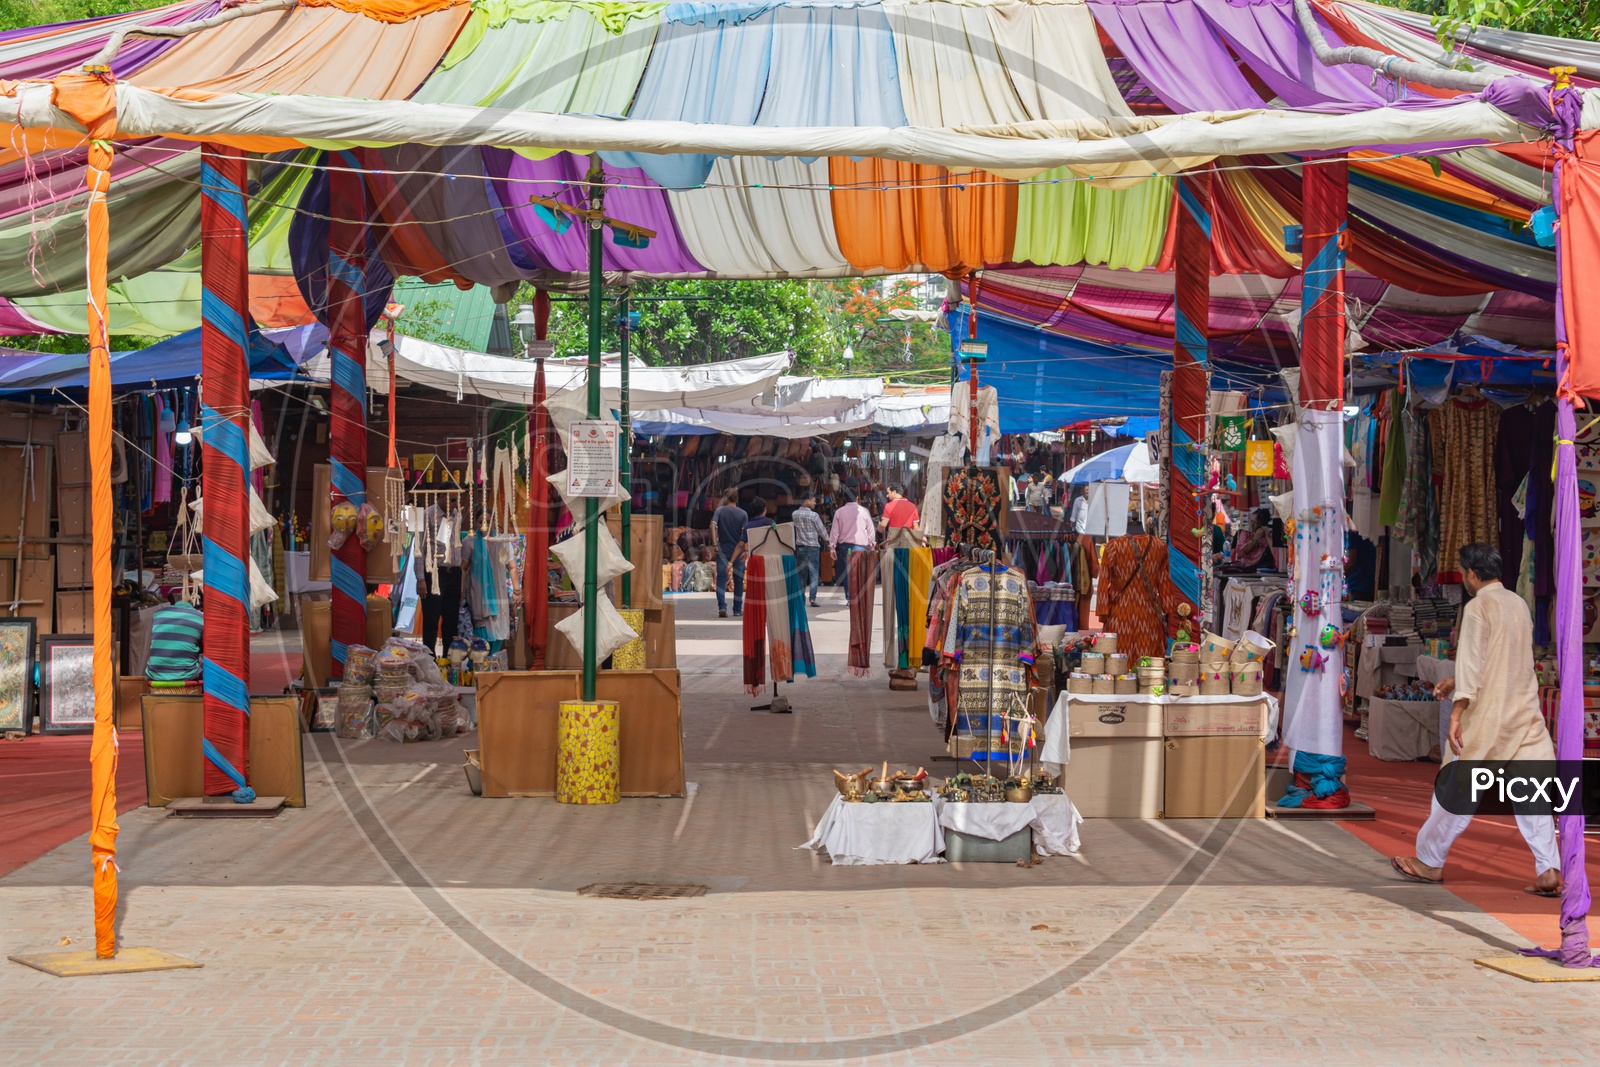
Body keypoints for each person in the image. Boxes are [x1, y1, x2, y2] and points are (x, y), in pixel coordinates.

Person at [1391, 543, 1561, 897]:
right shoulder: (1517, 604)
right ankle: (1548, 868)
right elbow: (1503, 658)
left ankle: (1429, 861)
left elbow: (1471, 661)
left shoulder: (1477, 606)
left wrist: (1456, 710)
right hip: (1525, 711)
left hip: (1488, 712)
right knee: (1533, 793)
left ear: (1471, 573)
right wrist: (1458, 683)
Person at [828, 491, 876, 603]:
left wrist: (832, 547)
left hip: (845, 547)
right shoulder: (864, 511)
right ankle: (860, 597)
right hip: (861, 547)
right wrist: (872, 545)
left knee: (847, 573)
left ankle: (850, 597)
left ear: (844, 499)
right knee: (860, 572)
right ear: (857, 498)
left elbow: (835, 531)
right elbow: (870, 529)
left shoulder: (839, 512)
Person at [145, 598, 204, 683]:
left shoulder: (158, 614)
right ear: (197, 608)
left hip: (155, 674)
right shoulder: (200, 616)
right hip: (187, 675)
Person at [711, 488, 747, 618]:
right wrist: (747, 550)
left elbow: (712, 525)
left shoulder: (720, 511)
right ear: (737, 498)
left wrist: (715, 544)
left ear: (726, 498)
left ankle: (722, 607)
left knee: (721, 578)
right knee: (738, 580)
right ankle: (737, 609)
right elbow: (745, 534)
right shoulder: (743, 514)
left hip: (723, 549)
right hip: (738, 551)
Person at [790, 493, 829, 607]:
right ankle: (812, 598)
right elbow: (822, 531)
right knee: (814, 573)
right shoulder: (814, 516)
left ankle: (801, 598)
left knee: (801, 574)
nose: (815, 503)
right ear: (806, 501)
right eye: (813, 501)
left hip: (801, 548)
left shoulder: (794, 514)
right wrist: (830, 543)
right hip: (813, 548)